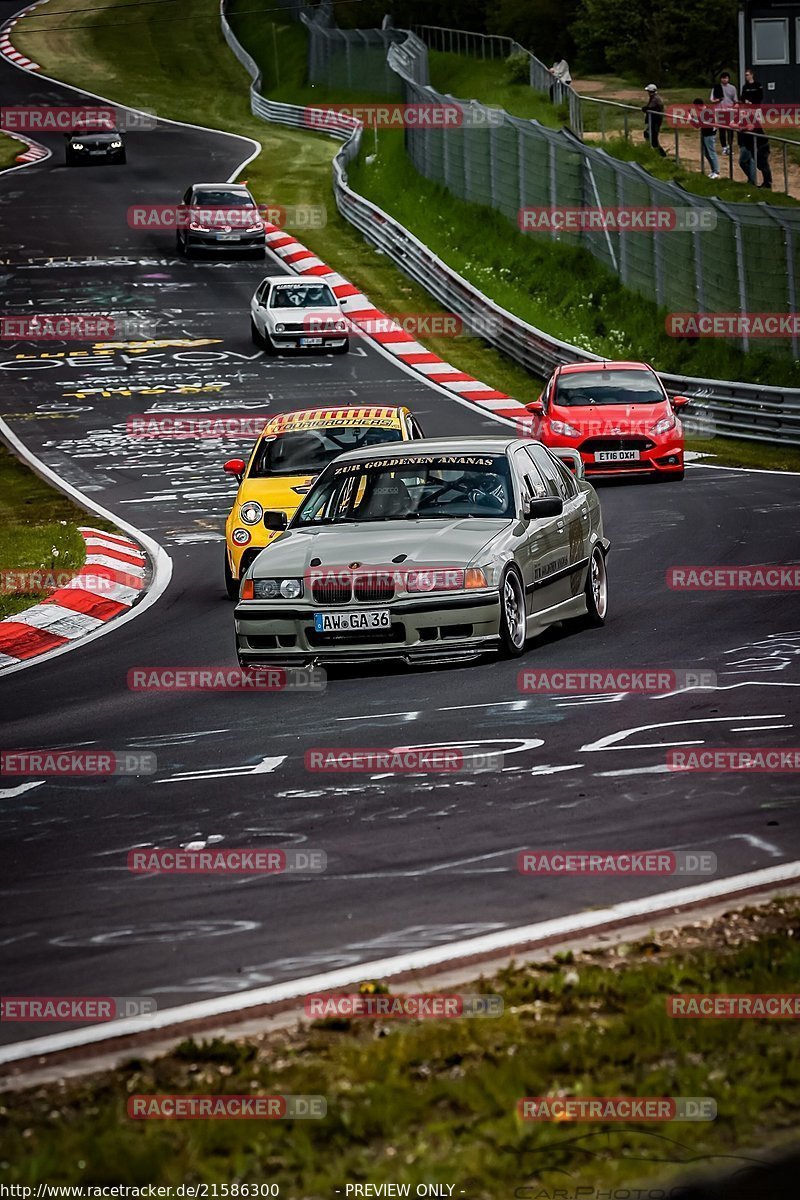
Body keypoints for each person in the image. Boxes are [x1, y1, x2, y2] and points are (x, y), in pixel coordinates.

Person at [710, 70, 737, 155]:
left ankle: (730, 146)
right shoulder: (716, 87)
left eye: (726, 78)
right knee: (722, 130)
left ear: (728, 79)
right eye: (723, 78)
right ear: (721, 79)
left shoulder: (732, 88)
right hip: (720, 110)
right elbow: (711, 99)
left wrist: (736, 105)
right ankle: (724, 147)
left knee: (730, 130)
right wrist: (716, 100)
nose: (724, 80)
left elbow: (735, 99)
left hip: (729, 110)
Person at [694, 97, 719, 178]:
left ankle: (716, 171)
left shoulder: (708, 112)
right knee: (706, 153)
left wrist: (693, 120)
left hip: (709, 135)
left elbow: (705, 124)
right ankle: (713, 170)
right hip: (704, 134)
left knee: (711, 153)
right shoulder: (703, 112)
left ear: (698, 105)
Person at [643, 84, 667, 156]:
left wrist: (646, 109)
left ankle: (661, 154)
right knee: (648, 134)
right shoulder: (654, 98)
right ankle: (657, 153)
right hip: (653, 120)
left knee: (653, 138)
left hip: (655, 121)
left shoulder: (655, 98)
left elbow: (650, 108)